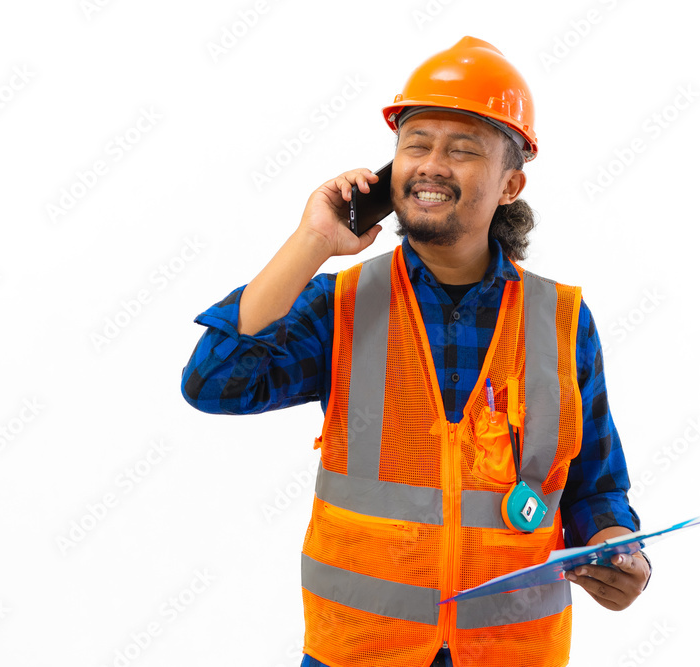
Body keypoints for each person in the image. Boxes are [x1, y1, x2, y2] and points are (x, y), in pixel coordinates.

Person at [181, 36, 650, 667]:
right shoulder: (340, 305)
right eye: (415, 144)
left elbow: (596, 488)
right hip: (360, 654)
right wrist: (312, 241)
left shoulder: (560, 319)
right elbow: (213, 383)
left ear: (510, 184)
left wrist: (621, 551)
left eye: (462, 150)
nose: (431, 165)